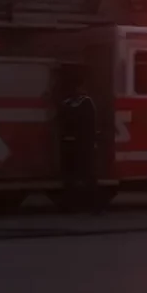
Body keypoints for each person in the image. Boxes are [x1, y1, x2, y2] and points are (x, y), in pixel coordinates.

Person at [58, 68, 98, 208]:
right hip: (80, 144)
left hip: (74, 143)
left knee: (76, 176)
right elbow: (91, 124)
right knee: (84, 175)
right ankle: (90, 204)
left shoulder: (69, 104)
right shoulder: (85, 103)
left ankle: (80, 204)